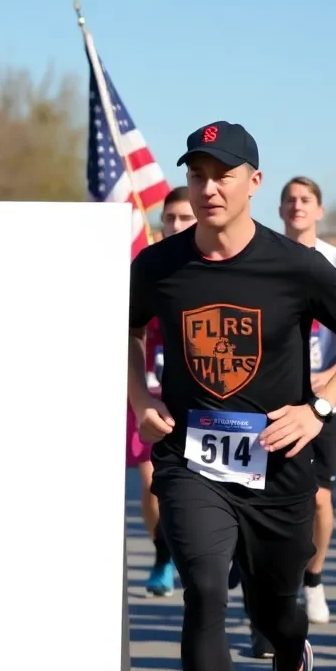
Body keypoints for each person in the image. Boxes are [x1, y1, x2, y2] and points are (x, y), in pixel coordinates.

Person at [128, 120, 336, 671]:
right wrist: (140, 397)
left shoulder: (294, 266)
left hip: (279, 464)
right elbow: (120, 331)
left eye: (224, 174)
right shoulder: (160, 265)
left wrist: (322, 405)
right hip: (192, 456)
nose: (209, 187)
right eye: (198, 174)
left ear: (254, 183)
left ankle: (291, 660)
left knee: (280, 612)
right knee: (205, 589)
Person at [278, 175, 336, 626]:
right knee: (281, 501)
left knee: (321, 501)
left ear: (319, 210)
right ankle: (278, 585)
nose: (297, 206)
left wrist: (331, 376)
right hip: (279, 397)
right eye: (289, 200)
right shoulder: (267, 255)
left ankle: (314, 579)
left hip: (330, 398)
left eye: (305, 200)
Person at [133, 187, 198, 596]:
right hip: (149, 394)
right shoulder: (149, 267)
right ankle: (162, 553)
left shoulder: (211, 266)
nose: (175, 225)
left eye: (184, 219)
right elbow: (130, 330)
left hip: (200, 402)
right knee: (151, 482)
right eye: (169, 218)